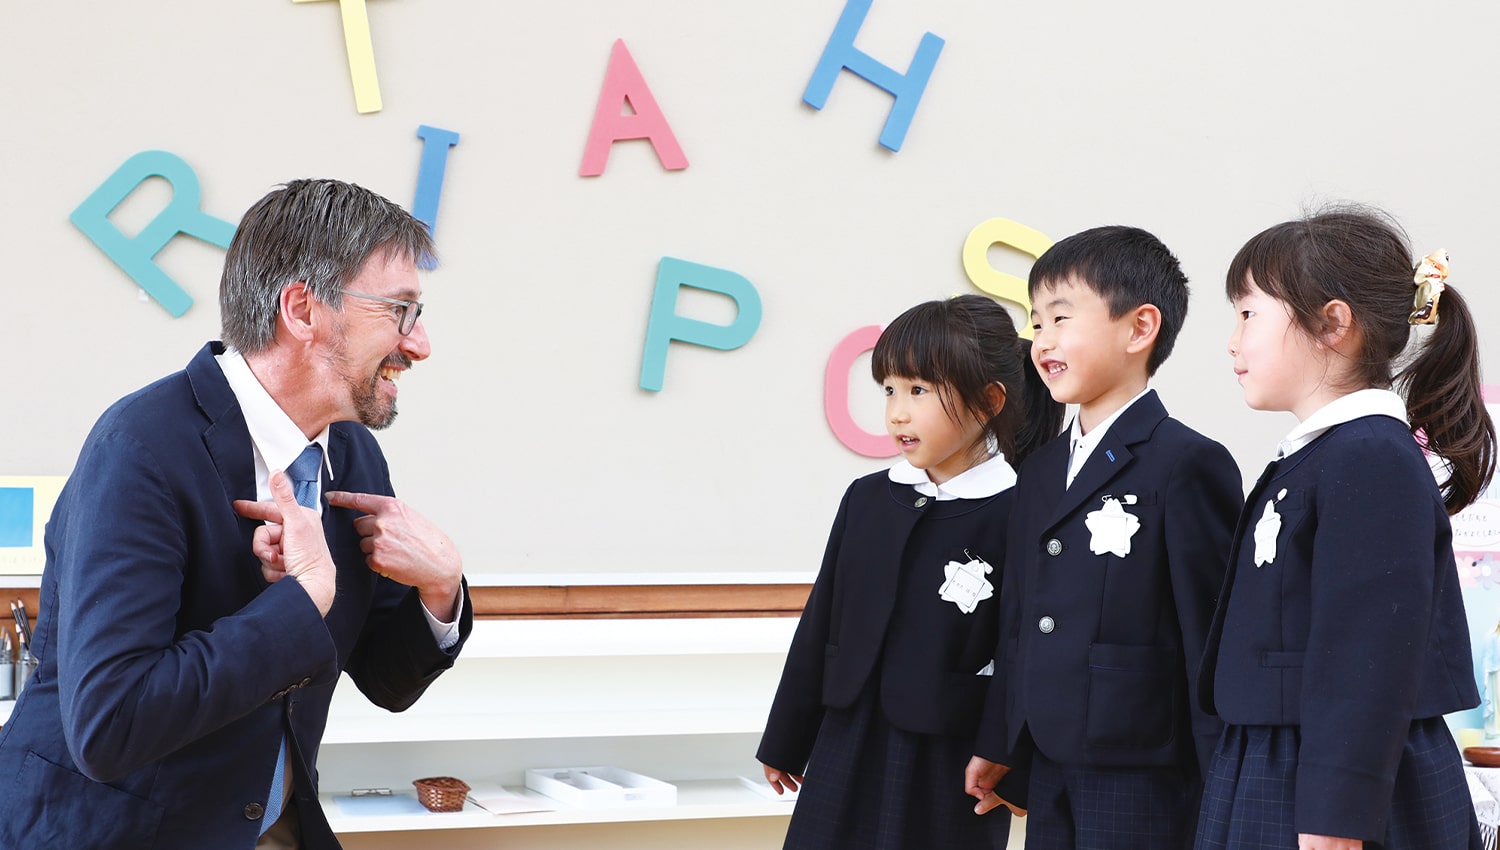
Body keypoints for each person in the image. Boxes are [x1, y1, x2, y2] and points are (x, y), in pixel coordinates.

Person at [0, 179, 474, 850]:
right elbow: (111, 727)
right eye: (399, 310)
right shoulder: (139, 450)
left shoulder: (353, 454)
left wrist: (440, 588)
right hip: (110, 832)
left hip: (265, 826)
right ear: (304, 311)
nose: (419, 343)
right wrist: (302, 600)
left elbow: (387, 681)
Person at [1195, 208, 1495, 850]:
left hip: (1334, 787)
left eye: (1248, 313)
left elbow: (1368, 657)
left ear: (1332, 323)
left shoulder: (1370, 457)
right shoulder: (1326, 452)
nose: (1232, 340)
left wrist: (1334, 821)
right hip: (1289, 764)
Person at [967, 225, 1243, 849]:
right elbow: (1020, 619)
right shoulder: (1037, 471)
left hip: (1144, 769)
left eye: (1062, 318)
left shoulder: (1186, 463)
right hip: (1048, 759)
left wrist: (1221, 782)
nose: (1044, 342)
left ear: (1139, 328)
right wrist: (998, 741)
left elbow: (1209, 638)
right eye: (1037, 324)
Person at [757, 293, 1062, 849]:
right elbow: (822, 616)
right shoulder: (868, 499)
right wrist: (786, 736)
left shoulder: (1022, 513)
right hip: (846, 736)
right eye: (890, 390)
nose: (898, 411)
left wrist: (1006, 757)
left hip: (948, 755)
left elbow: (1023, 647)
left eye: (919, 391)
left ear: (989, 400)